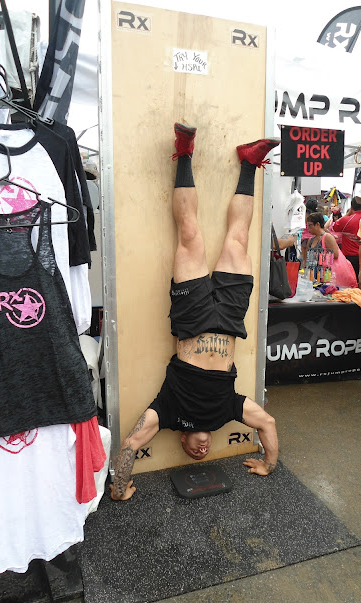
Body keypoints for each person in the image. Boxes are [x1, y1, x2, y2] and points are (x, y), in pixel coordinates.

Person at [109, 123, 280, 501]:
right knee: (238, 239)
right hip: (232, 321)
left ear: (182, 439)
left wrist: (119, 487)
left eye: (193, 450)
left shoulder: (168, 413)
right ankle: (249, 164)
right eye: (204, 452)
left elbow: (132, 442)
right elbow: (266, 423)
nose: (202, 451)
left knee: (189, 233)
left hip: (191, 316)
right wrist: (268, 463)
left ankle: (183, 153)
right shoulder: (226, 413)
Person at [331, 197, 361, 278]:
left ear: (352, 206)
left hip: (350, 257)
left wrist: (348, 213)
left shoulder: (347, 220)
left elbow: (335, 226)